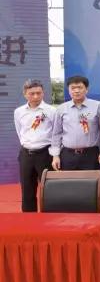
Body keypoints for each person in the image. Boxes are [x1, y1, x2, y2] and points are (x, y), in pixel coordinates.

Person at [13, 79, 56, 212]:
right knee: (27, 189)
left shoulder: (51, 111)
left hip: (45, 154)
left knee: (49, 189)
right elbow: (20, 131)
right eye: (32, 93)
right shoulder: (19, 112)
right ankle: (29, 219)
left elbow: (56, 133)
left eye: (39, 93)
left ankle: (51, 218)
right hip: (26, 154)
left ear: (43, 93)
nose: (36, 96)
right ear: (25, 94)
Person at [51, 75, 100, 170]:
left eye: (80, 87)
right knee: (68, 180)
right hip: (67, 154)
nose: (76, 91)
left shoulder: (98, 106)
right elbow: (56, 133)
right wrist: (55, 155)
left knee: (91, 180)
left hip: (91, 154)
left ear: (86, 89)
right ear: (69, 90)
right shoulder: (61, 109)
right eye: (73, 88)